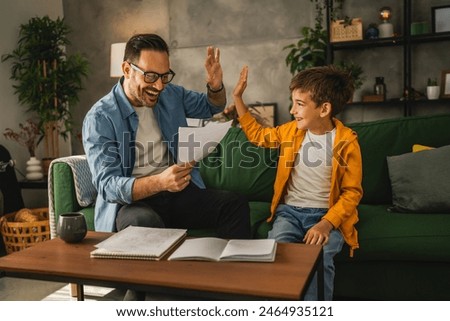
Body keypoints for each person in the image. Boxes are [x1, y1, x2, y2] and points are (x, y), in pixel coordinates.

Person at [83, 34, 251, 240]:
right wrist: (160, 182)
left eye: (164, 76)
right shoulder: (100, 118)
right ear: (127, 70)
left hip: (177, 195)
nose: (159, 86)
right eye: (151, 76)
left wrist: (215, 87)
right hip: (134, 203)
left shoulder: (170, 94)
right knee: (142, 223)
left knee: (234, 204)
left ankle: (233, 270)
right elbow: (107, 186)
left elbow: (212, 106)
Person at [230, 65, 363, 300]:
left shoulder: (346, 142)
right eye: (293, 103)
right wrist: (238, 98)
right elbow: (258, 135)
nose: (292, 110)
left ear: (324, 109)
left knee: (319, 260)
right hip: (289, 214)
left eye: (300, 104)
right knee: (275, 253)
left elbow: (352, 193)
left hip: (327, 216)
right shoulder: (290, 132)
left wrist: (326, 223)